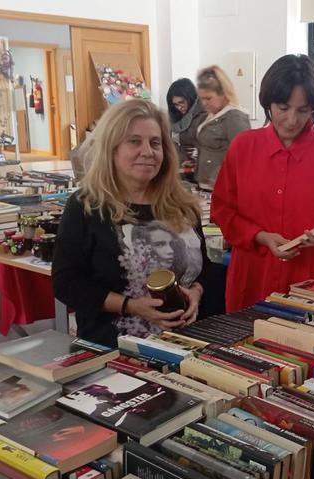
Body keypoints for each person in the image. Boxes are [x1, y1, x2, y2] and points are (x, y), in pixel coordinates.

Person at [52, 99, 214, 348]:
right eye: (134, 141)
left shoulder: (183, 204)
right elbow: (67, 283)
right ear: (112, 148)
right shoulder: (87, 206)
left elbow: (205, 270)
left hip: (186, 348)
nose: (147, 151)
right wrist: (131, 306)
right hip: (114, 352)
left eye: (155, 143)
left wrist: (196, 293)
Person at [211, 54, 314, 312]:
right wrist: (260, 237)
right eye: (283, 108)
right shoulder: (243, 147)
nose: (292, 120)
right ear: (268, 102)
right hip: (253, 277)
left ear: (313, 109)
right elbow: (223, 210)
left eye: (303, 110)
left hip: (312, 283)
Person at [194, 65, 251, 191]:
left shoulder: (234, 116)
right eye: (201, 98)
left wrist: (219, 174)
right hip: (206, 184)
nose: (204, 103)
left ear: (224, 94)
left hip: (223, 186)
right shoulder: (211, 115)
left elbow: (244, 155)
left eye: (208, 98)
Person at [166, 78, 206, 179]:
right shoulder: (174, 117)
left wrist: (195, 160)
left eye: (182, 102)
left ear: (190, 98)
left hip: (196, 172)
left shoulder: (204, 116)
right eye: (175, 104)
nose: (179, 107)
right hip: (178, 171)